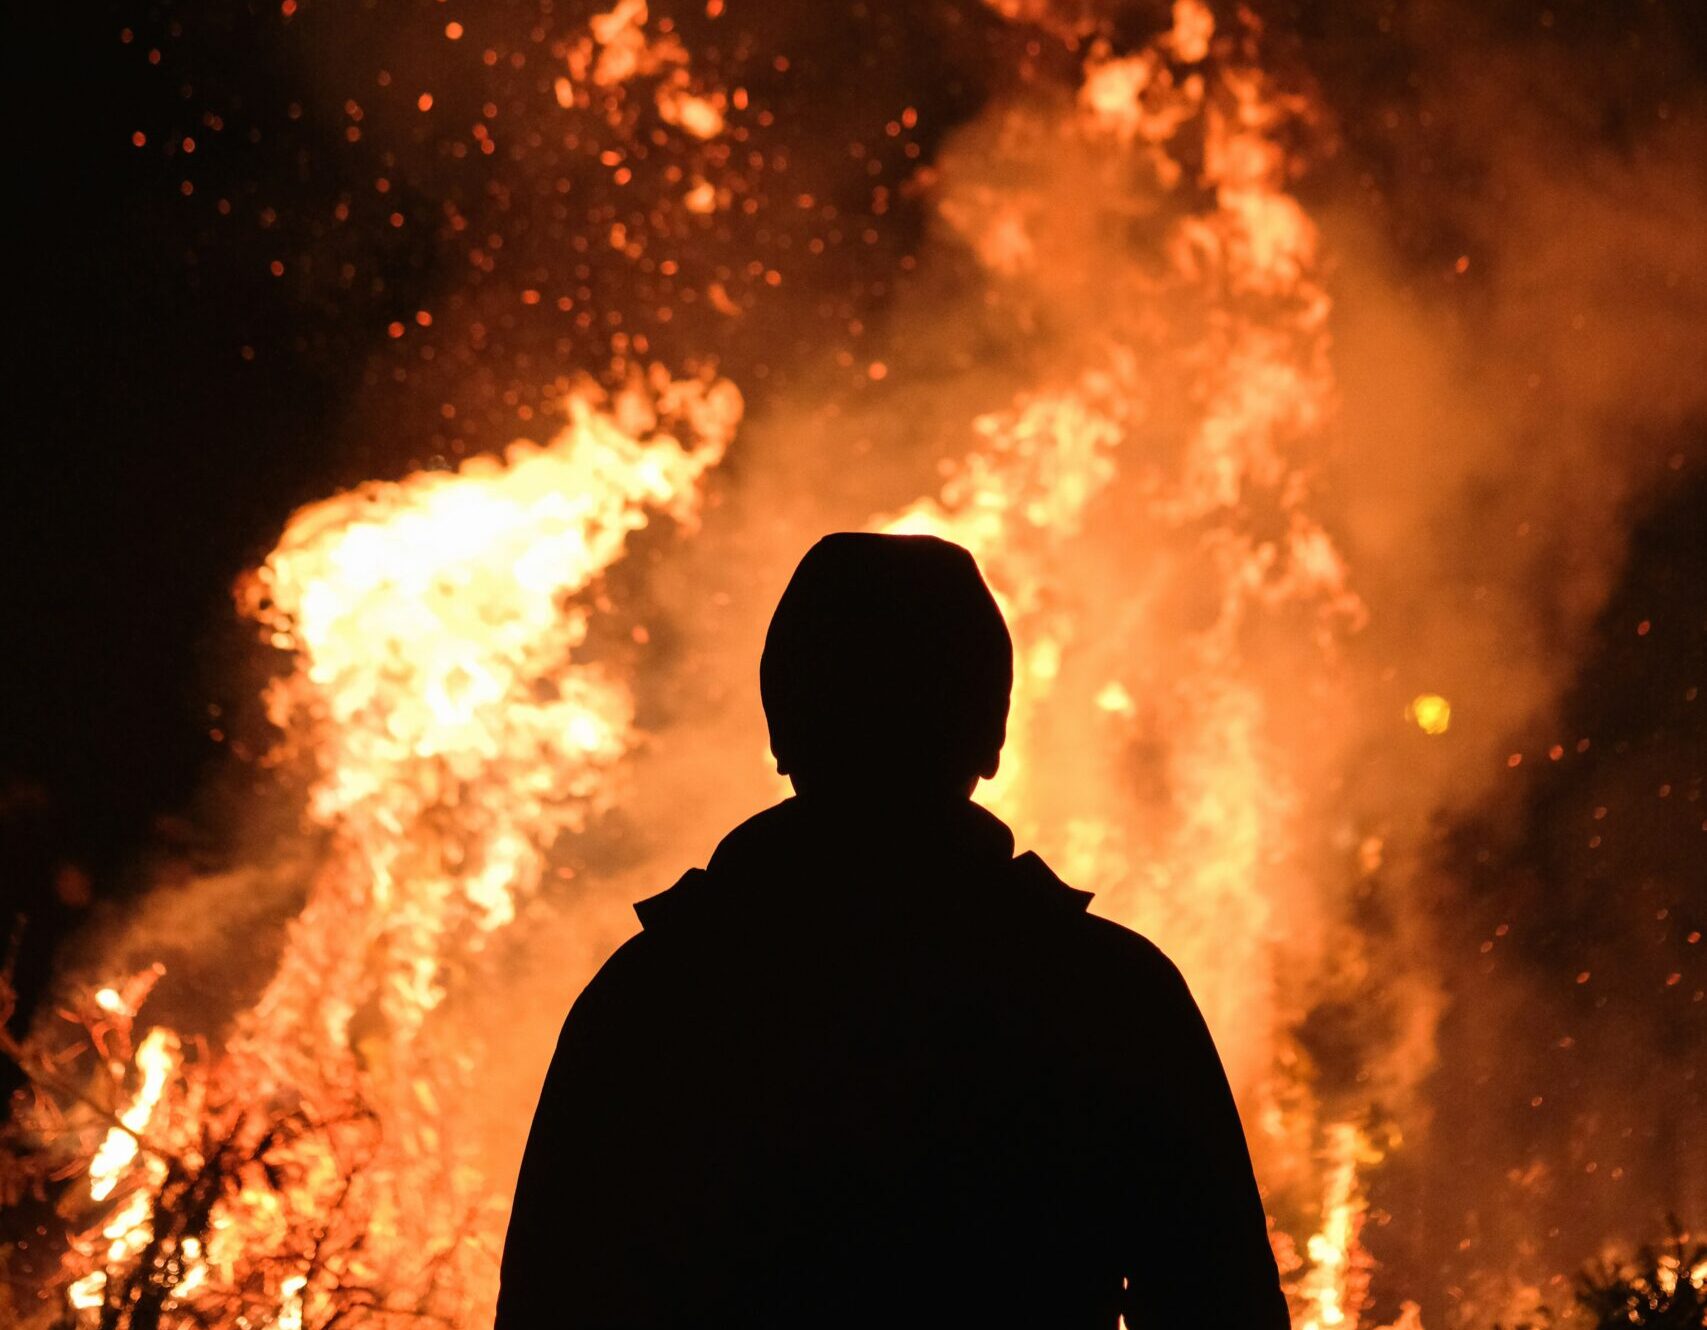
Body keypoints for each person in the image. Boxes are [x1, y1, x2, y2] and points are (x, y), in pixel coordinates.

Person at [496, 533, 1289, 1329]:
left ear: (782, 727)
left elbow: (552, 1301)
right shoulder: (1109, 996)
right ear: (990, 735)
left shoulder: (656, 998)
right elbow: (1220, 1306)